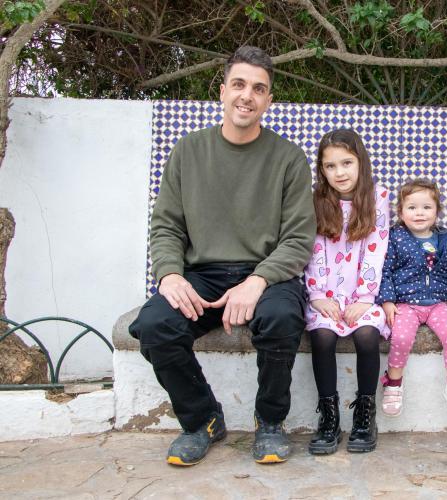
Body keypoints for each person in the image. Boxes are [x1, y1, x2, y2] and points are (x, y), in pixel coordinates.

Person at [128, 46, 316, 466]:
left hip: (266, 274)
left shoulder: (288, 158)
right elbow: (167, 225)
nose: (247, 95)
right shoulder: (188, 150)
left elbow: (298, 238)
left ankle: (270, 422)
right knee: (156, 326)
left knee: (282, 318)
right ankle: (202, 421)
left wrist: (257, 281)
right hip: (202, 274)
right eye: (239, 84)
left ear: (269, 100)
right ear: (222, 91)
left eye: (258, 88)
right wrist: (170, 275)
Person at [304, 129, 390, 455]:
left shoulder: (377, 197)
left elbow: (376, 249)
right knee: (322, 337)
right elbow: (313, 249)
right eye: (330, 166)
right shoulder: (316, 200)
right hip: (325, 294)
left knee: (367, 335)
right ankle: (328, 415)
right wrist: (316, 296)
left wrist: (365, 298)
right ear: (322, 170)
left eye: (346, 163)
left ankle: (365, 414)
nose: (339, 172)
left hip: (362, 294)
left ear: (360, 162)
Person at [377, 178, 447, 417]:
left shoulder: (445, 240)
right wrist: (387, 301)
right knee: (401, 338)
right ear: (401, 212)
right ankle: (393, 384)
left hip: (437, 304)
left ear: (437, 211)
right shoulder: (395, 238)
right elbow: (384, 271)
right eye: (412, 207)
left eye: (426, 207)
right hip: (406, 305)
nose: (419, 213)